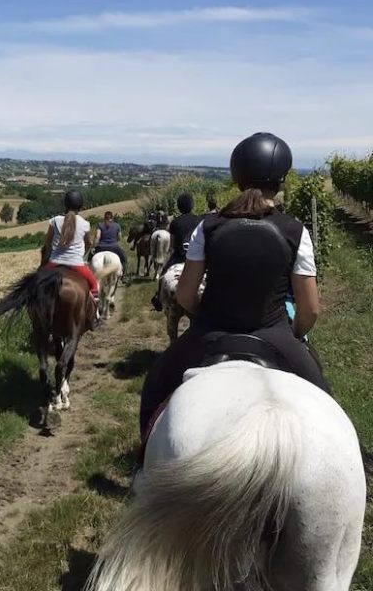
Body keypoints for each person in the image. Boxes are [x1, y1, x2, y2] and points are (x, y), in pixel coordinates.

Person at [138, 132, 329, 448]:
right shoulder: (296, 231)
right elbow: (310, 310)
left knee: (155, 384)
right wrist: (293, 332)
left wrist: (205, 316)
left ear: (237, 176)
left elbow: (185, 295)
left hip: (211, 333)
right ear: (281, 178)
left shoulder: (209, 225)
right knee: (324, 398)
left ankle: (143, 458)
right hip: (275, 335)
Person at [40, 190, 100, 305]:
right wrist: (81, 255)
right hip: (77, 264)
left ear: (65, 204)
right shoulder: (85, 224)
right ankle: (96, 315)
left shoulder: (55, 221)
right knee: (94, 285)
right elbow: (88, 243)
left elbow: (47, 243)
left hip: (54, 262)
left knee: (35, 284)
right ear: (80, 205)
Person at [150, 192, 200, 311]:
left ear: (179, 206)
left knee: (163, 275)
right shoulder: (199, 220)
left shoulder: (175, 222)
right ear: (191, 205)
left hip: (179, 256)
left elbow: (172, 244)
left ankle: (159, 300)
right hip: (196, 258)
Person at [94, 210, 128, 277]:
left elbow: (97, 237)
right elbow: (119, 237)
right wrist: (115, 241)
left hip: (101, 248)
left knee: (90, 258)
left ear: (104, 217)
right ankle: (123, 276)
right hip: (114, 247)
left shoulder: (100, 225)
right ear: (112, 218)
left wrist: (94, 247)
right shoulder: (117, 225)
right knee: (124, 259)